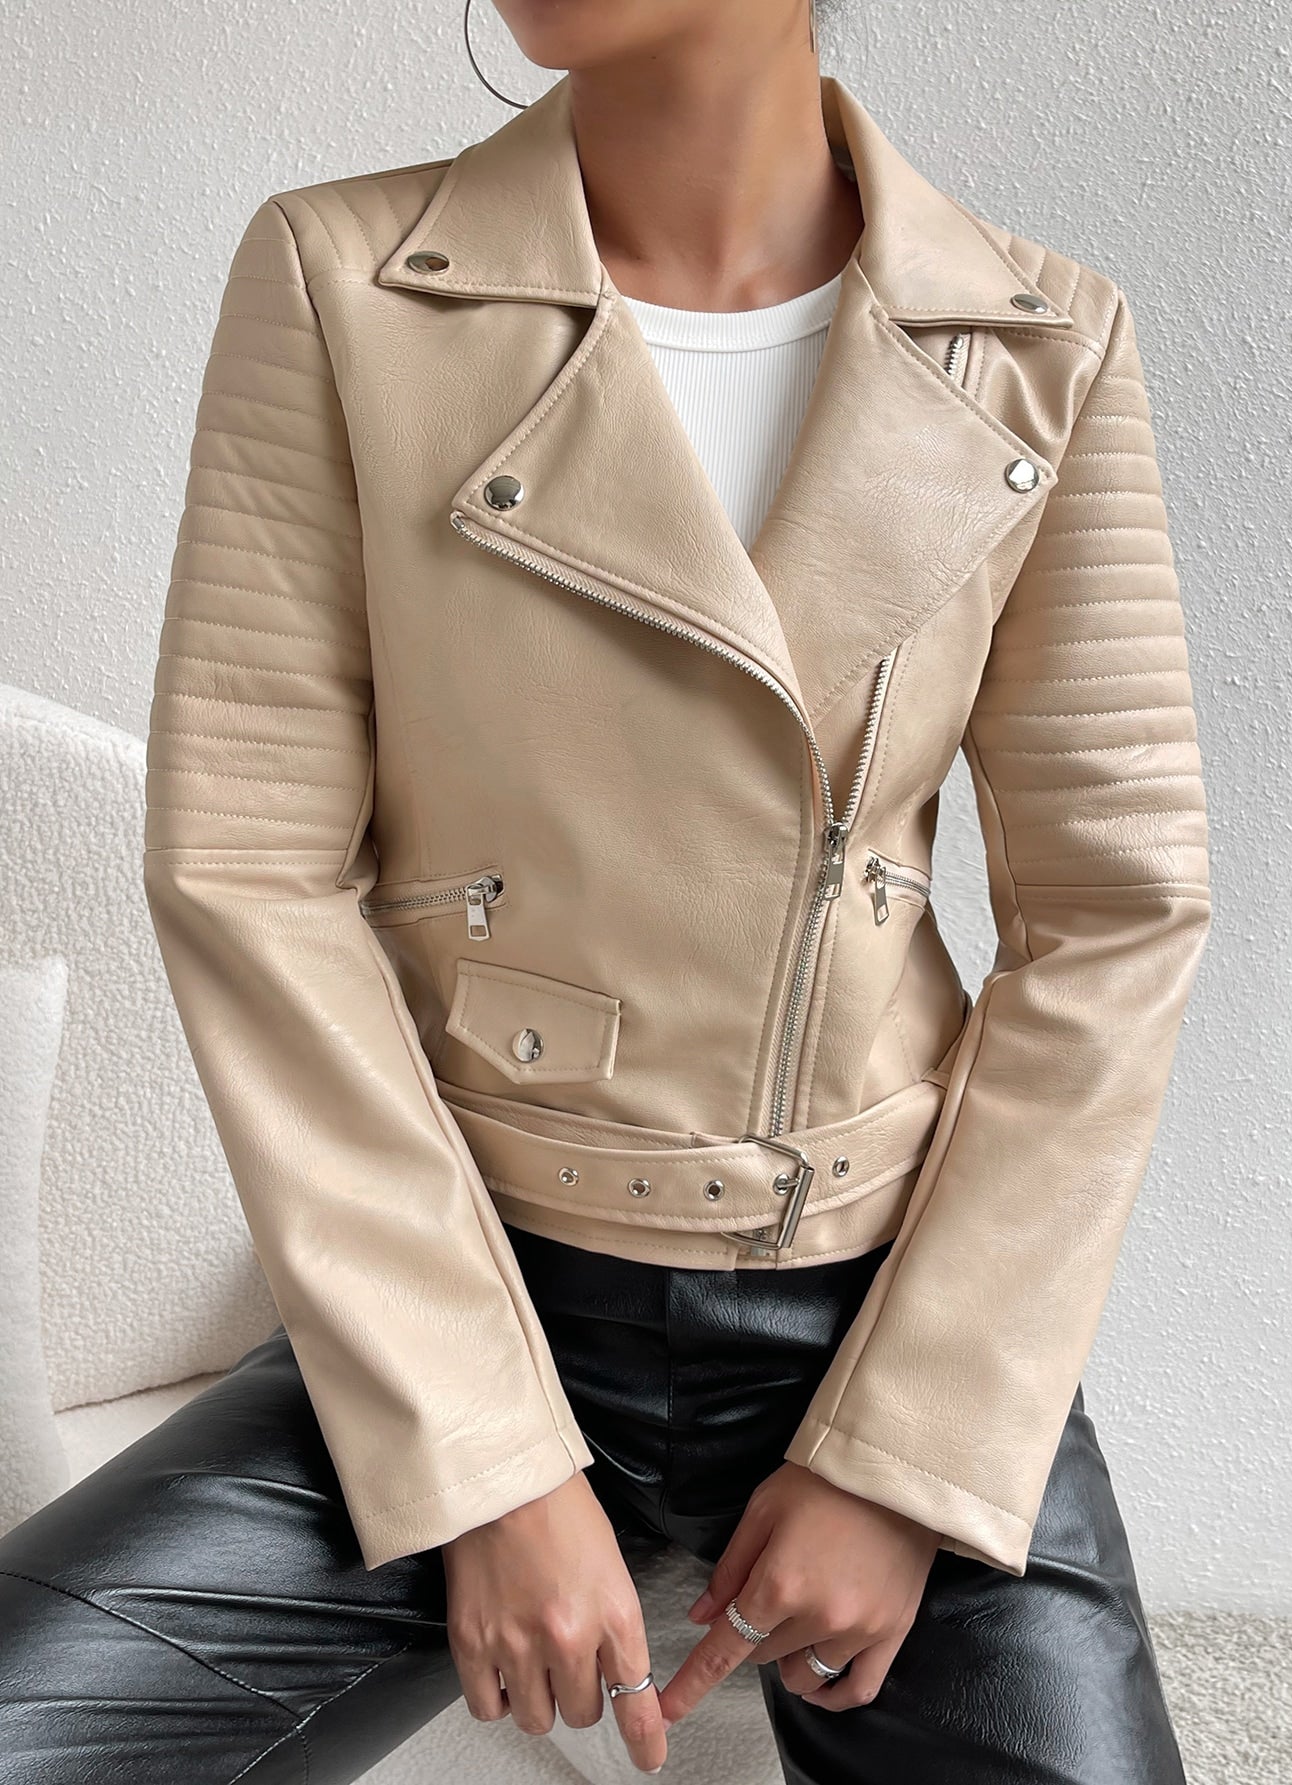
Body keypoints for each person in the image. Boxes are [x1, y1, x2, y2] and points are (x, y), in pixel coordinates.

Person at [0, 0, 1213, 1779]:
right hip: (472, 1287)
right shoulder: (348, 281)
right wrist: (485, 1456)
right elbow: (253, 866)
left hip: (877, 1314)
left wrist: (904, 1459)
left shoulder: (1041, 340)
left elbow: (1113, 916)